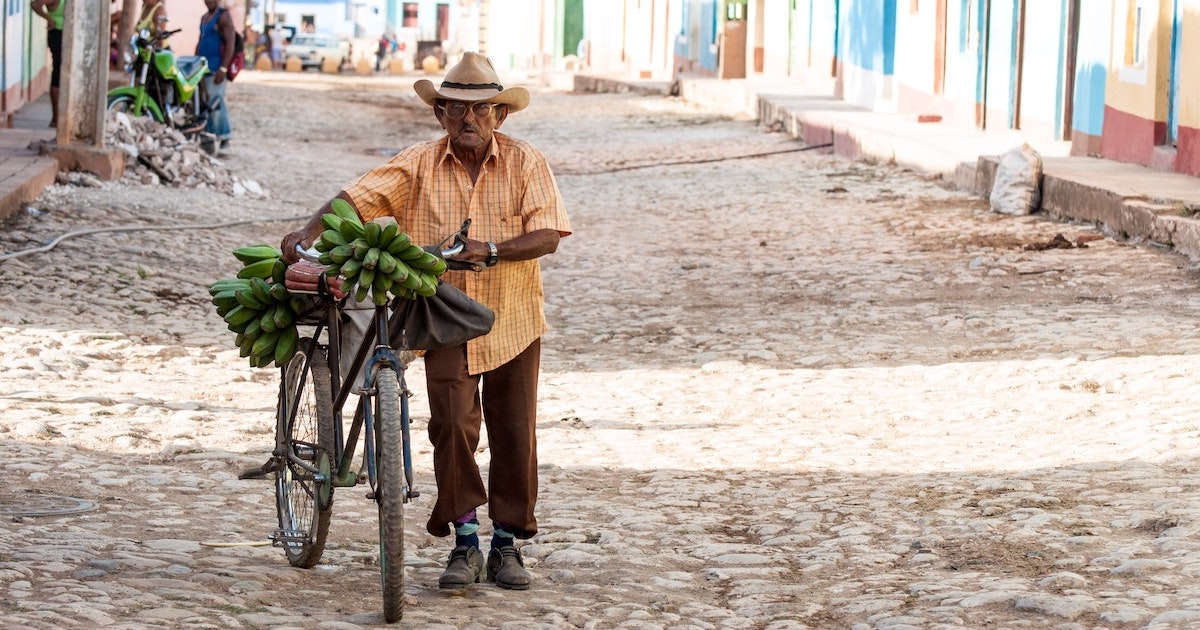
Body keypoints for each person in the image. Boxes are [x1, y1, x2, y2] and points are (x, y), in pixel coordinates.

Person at [279, 52, 572, 592]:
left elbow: (549, 234)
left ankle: (506, 541)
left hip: (513, 317)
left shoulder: (527, 162)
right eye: (456, 109)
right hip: (441, 315)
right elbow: (356, 197)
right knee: (452, 425)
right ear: (440, 114)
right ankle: (464, 539)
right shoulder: (417, 162)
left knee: (514, 431)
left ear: (499, 116)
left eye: (481, 110)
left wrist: (490, 251)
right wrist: (308, 229)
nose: (469, 120)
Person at [196, 0, 236, 154]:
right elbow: (200, 41)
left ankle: (225, 138)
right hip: (202, 67)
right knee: (205, 104)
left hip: (216, 66)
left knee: (216, 101)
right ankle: (209, 139)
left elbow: (230, 43)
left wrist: (223, 68)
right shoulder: (205, 17)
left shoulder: (224, 16)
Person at [29, 0, 63, 128]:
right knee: (58, 75)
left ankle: (60, 116)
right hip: (57, 34)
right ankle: (55, 117)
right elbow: (35, 4)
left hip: (67, 36)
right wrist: (49, 19)